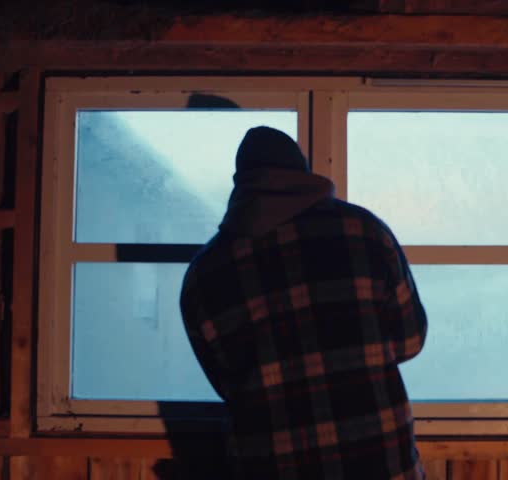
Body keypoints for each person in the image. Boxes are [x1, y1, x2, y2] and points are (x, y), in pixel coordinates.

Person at [180, 126, 428, 479]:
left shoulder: (204, 275)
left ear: (241, 183)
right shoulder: (365, 232)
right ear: (304, 172)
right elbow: (410, 342)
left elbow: (228, 385)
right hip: (380, 460)